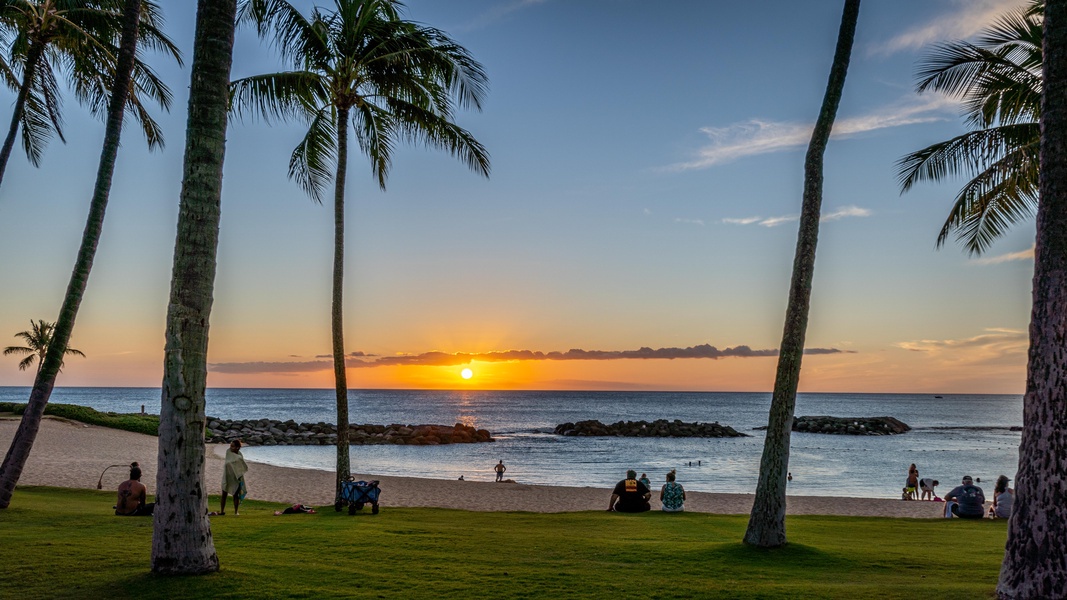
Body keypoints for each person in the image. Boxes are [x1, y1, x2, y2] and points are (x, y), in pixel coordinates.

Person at [219, 440, 248, 516]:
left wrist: (239, 474)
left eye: (232, 446)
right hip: (227, 475)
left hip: (236, 476)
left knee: (236, 494)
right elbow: (228, 463)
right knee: (224, 493)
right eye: (230, 446)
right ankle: (222, 511)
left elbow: (241, 466)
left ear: (237, 447)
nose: (230, 447)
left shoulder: (239, 455)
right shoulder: (228, 452)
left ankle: (236, 512)